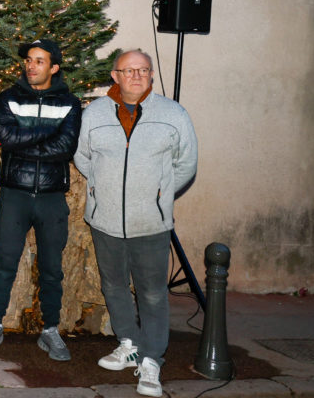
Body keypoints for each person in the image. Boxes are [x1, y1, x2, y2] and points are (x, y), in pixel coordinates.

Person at [74, 50, 197, 398]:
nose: (137, 76)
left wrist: (160, 195)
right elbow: (82, 155)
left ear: (151, 75)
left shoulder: (173, 114)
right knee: (113, 285)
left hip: (151, 223)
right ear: (115, 76)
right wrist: (101, 186)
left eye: (143, 70)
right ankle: (128, 342)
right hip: (105, 219)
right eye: (129, 70)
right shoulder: (94, 113)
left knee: (154, 294)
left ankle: (151, 359)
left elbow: (186, 163)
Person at [0, 39, 81, 361]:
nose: (31, 66)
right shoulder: (9, 98)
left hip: (51, 197)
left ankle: (50, 330)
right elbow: (5, 139)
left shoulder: (70, 103)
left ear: (54, 67)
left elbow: (65, 148)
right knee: (5, 262)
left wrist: (25, 139)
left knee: (52, 268)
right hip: (15, 194)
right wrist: (45, 133)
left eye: (39, 61)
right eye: (29, 60)